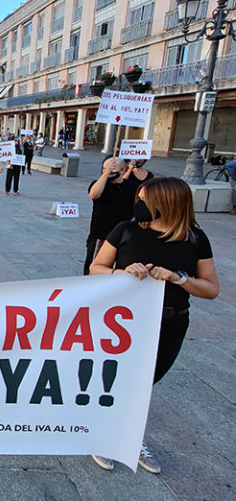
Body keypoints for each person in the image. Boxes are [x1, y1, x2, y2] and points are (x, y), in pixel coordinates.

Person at [89, 177, 219, 474]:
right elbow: (96, 268)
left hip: (170, 323)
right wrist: (122, 272)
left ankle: (131, 438)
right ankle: (107, 436)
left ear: (166, 204)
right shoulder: (125, 231)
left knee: (145, 383)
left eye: (145, 198)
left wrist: (180, 279)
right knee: (119, 381)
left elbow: (211, 289)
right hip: (123, 323)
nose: (139, 202)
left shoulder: (196, 239)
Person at [83, 157, 135, 275]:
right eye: (105, 169)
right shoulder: (100, 184)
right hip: (100, 234)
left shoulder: (132, 186)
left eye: (112, 169)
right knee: (95, 266)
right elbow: (94, 194)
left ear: (122, 171)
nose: (108, 171)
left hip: (123, 235)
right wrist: (107, 173)